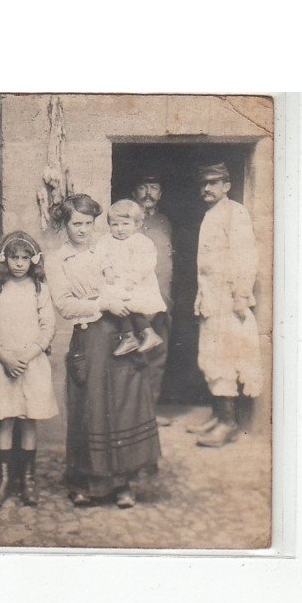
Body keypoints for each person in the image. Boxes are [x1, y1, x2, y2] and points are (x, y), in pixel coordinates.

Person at [46, 194, 161, 508]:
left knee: (123, 407)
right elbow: (64, 304)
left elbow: (139, 280)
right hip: (89, 337)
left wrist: (127, 305)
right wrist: (102, 303)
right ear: (64, 224)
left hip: (121, 336)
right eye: (75, 224)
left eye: (87, 223)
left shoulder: (109, 248)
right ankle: (85, 481)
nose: (82, 230)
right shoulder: (58, 259)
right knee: (91, 410)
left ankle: (124, 483)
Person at [0, 231, 58, 507]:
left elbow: (48, 327)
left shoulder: (39, 289)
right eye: (14, 257)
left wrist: (27, 355)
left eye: (25, 258)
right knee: (5, 419)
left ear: (33, 261)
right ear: (4, 259)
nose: (19, 264)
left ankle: (28, 481)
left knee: (28, 420)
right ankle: (2, 480)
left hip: (31, 363)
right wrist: (6, 357)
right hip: (3, 363)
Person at [189, 162, 262, 448]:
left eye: (214, 182)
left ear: (227, 186)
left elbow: (245, 256)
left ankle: (229, 424)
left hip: (229, 298)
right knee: (210, 356)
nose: (207, 188)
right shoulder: (212, 214)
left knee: (225, 358)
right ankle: (218, 416)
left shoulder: (235, 212)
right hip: (211, 296)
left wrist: (241, 296)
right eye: (204, 183)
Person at [96, 199, 166, 356]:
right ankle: (131, 336)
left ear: (137, 224)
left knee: (130, 303)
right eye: (115, 224)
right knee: (118, 302)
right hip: (116, 282)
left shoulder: (141, 242)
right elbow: (100, 255)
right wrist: (106, 268)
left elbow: (146, 263)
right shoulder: (106, 240)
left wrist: (133, 279)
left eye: (125, 224)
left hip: (136, 282)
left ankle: (145, 334)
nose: (120, 229)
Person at [131, 170, 174, 422]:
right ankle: (133, 415)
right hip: (137, 304)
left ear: (161, 193)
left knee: (157, 358)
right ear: (133, 192)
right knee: (135, 357)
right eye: (143, 187)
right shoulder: (126, 223)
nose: (148, 193)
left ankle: (149, 413)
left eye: (154, 188)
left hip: (163, 301)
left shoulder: (164, 222)